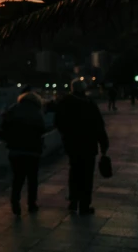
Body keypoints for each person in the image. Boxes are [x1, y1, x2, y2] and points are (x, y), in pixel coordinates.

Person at [54, 79, 109, 215]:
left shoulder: (64, 102)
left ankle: (73, 201)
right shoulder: (89, 103)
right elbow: (99, 125)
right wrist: (103, 144)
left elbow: (58, 122)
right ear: (84, 89)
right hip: (89, 144)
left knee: (74, 172)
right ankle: (84, 205)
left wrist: (66, 135)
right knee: (87, 175)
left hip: (72, 144)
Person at [0, 91, 46, 215]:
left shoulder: (13, 109)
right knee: (32, 179)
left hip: (15, 150)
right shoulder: (37, 112)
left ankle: (15, 201)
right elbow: (42, 129)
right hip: (32, 151)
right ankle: (32, 204)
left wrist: (9, 140)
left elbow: (4, 126)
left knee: (17, 178)